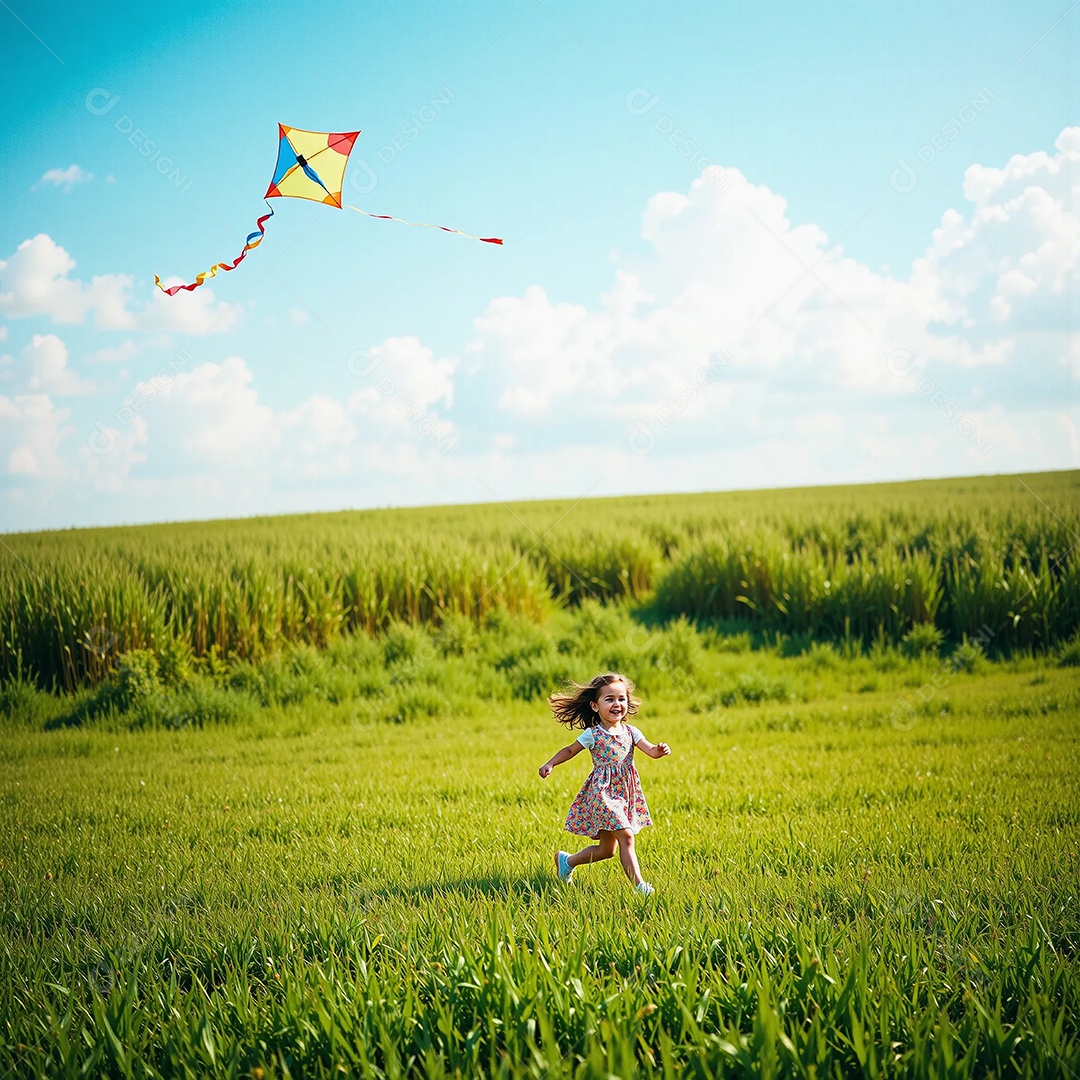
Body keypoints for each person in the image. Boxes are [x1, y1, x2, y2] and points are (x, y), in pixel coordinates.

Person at [538, 672, 670, 895]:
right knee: (627, 836)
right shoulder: (593, 734)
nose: (617, 704)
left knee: (607, 850)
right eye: (609, 699)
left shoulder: (631, 732)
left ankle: (567, 861)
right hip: (603, 794)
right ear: (595, 706)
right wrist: (551, 763)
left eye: (621, 699)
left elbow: (650, 750)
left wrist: (659, 750)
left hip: (624, 795)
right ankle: (640, 886)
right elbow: (570, 750)